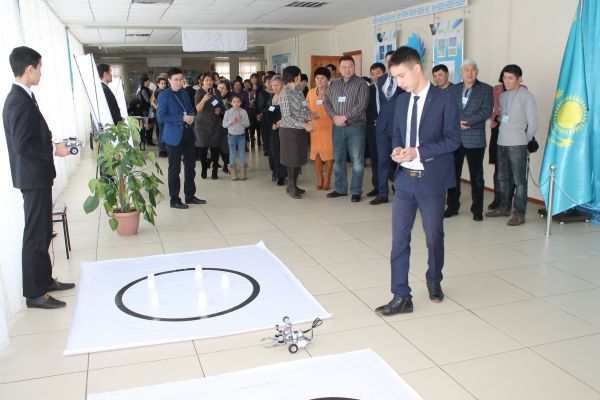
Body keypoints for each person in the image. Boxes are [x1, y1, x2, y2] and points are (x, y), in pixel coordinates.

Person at [375, 46, 460, 316]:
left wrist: (419, 152)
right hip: (404, 181)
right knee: (399, 240)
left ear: (416, 68)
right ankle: (401, 295)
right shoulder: (401, 101)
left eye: (401, 76)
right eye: (395, 78)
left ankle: (434, 279)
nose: (399, 82)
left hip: (431, 181)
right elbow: (397, 134)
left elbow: (453, 140)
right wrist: (398, 150)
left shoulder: (445, 99)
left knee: (434, 236)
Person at [3, 46, 75, 309]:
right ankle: (34, 293)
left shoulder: (24, 97)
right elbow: (23, 145)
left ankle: (44, 281)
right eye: (40, 67)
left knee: (43, 231)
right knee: (35, 235)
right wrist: (54, 149)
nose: (42, 72)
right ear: (29, 68)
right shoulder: (17, 101)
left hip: (37, 176)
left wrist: (54, 143)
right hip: (32, 178)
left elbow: (32, 137)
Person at [486, 64, 537, 226]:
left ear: (519, 79)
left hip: (518, 144)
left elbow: (533, 123)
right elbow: (503, 117)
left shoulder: (526, 96)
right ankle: (503, 207)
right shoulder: (503, 96)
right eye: (504, 78)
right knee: (502, 177)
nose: (506, 81)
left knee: (519, 180)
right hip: (501, 142)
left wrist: (525, 141)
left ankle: (519, 213)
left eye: (510, 78)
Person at [445, 60, 493, 221]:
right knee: (452, 175)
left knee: (476, 176)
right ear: (461, 72)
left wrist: (467, 122)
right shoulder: (453, 89)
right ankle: (452, 206)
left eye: (473, 69)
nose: (469, 72)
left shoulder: (486, 89)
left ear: (477, 71)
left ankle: (477, 209)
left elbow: (487, 111)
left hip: (475, 139)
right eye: (466, 69)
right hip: (454, 138)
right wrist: (455, 123)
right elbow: (447, 110)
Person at [158, 68, 206, 209]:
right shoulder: (164, 95)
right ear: (169, 80)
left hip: (188, 133)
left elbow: (191, 109)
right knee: (175, 169)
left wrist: (191, 117)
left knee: (190, 167)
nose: (179, 82)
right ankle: (174, 199)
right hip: (173, 136)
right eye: (176, 79)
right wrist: (182, 118)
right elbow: (161, 117)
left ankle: (190, 196)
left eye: (181, 79)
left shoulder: (185, 93)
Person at [324, 55, 369, 202]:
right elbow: (326, 102)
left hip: (355, 127)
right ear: (339, 68)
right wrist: (335, 117)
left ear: (354, 67)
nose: (347, 69)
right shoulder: (334, 84)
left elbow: (362, 105)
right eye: (344, 67)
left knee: (357, 161)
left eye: (350, 66)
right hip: (337, 127)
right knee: (339, 159)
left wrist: (344, 117)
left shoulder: (361, 83)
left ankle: (356, 191)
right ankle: (340, 189)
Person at [371, 51, 405, 205]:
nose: (390, 63)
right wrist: (378, 118)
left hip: (399, 126)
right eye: (388, 61)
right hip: (382, 126)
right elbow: (379, 101)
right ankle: (382, 193)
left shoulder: (404, 78)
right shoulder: (382, 79)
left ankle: (400, 190)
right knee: (382, 160)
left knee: (400, 160)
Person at [279, 66, 315, 199]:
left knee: (298, 159)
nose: (300, 77)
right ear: (295, 77)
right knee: (292, 160)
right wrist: (304, 124)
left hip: (300, 130)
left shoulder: (299, 91)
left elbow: (304, 107)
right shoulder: (285, 93)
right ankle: (291, 186)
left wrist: (310, 115)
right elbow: (287, 117)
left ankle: (293, 185)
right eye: (299, 75)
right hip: (289, 131)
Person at [306, 67, 334, 190]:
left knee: (329, 154)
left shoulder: (332, 92)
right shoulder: (310, 92)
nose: (319, 80)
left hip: (330, 127)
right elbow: (305, 106)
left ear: (328, 80)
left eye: (322, 78)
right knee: (316, 154)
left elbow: (338, 108)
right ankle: (319, 177)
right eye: (317, 78)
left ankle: (327, 178)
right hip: (315, 128)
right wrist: (309, 115)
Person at [194, 73, 223, 180]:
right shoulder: (199, 92)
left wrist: (219, 109)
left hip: (215, 124)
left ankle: (215, 170)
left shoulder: (216, 92)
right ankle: (204, 168)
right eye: (206, 80)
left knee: (215, 148)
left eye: (211, 80)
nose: (209, 82)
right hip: (201, 125)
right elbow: (198, 108)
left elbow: (219, 105)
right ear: (202, 82)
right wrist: (204, 99)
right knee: (203, 149)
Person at [365, 62, 385, 198]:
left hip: (388, 130)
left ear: (385, 73)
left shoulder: (391, 89)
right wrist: (376, 120)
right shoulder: (369, 90)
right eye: (372, 74)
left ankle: (395, 185)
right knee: (375, 159)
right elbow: (367, 109)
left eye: (378, 73)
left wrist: (383, 119)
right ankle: (377, 186)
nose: (375, 76)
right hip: (372, 129)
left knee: (389, 159)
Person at [222, 94, 250, 180]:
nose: (236, 104)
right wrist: (231, 121)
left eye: (238, 102)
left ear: (241, 102)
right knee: (232, 153)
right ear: (231, 103)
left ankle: (243, 173)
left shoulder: (244, 112)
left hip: (241, 136)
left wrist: (240, 121)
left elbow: (247, 124)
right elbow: (224, 125)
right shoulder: (227, 112)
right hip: (231, 136)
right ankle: (233, 173)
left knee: (242, 153)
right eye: (234, 102)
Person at [267, 75, 287, 185]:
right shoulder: (272, 96)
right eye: (273, 85)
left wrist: (279, 124)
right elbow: (269, 112)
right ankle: (276, 171)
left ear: (282, 85)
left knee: (282, 152)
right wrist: (271, 124)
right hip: (273, 127)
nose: (274, 87)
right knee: (273, 151)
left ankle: (282, 175)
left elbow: (288, 114)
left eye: (277, 85)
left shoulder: (285, 97)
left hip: (284, 127)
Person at [151, 77, 168, 157]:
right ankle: (162, 150)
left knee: (162, 132)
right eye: (162, 83)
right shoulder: (159, 92)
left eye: (165, 83)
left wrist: (157, 107)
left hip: (160, 114)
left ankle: (163, 150)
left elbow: (152, 102)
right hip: (162, 115)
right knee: (162, 132)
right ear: (158, 84)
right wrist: (158, 107)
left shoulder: (157, 91)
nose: (164, 85)